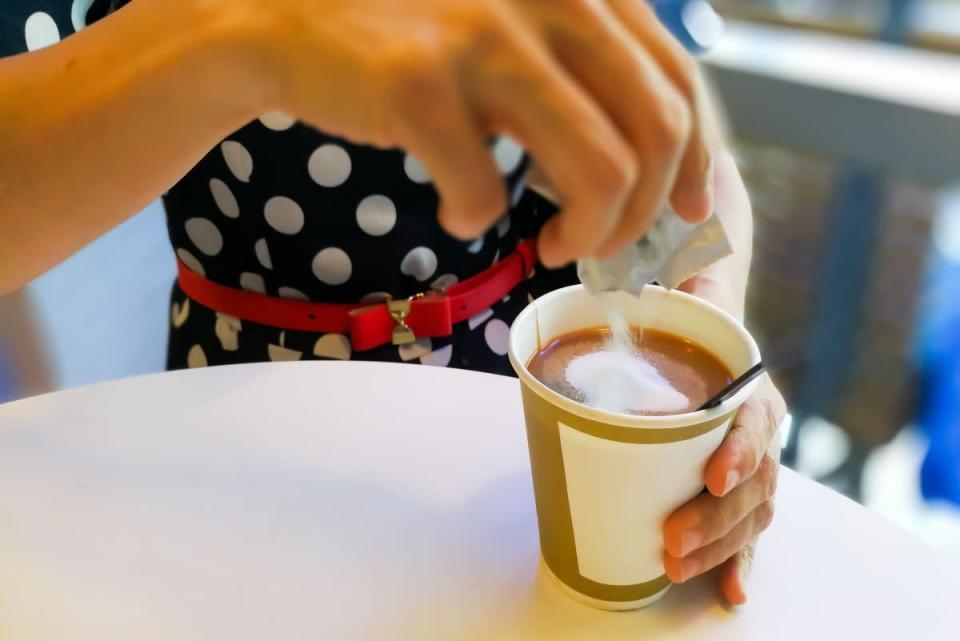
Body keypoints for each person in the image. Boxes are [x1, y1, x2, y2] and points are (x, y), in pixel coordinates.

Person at [0, 0, 786, 605]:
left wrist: (708, 352)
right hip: (240, 439)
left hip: (529, 454)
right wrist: (253, 33)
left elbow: (680, 156)